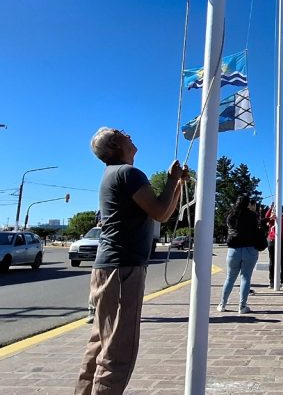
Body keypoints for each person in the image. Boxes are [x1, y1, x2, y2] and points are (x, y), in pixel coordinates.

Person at [76, 127, 187, 395]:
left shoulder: (114, 174)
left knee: (101, 342)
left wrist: (176, 184)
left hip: (110, 266)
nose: (129, 134)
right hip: (122, 269)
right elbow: (161, 211)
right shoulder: (128, 173)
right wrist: (172, 180)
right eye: (122, 133)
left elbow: (161, 214)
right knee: (118, 348)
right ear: (115, 144)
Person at [217, 195, 263, 314]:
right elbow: (257, 228)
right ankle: (242, 306)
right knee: (246, 277)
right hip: (250, 249)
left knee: (230, 277)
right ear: (248, 204)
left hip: (234, 249)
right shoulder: (253, 216)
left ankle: (222, 304)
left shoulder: (231, 215)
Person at [265, 204, 283, 288]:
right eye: (275, 209)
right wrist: (270, 208)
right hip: (272, 240)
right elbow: (266, 217)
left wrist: (276, 217)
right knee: (272, 262)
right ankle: (272, 281)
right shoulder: (272, 218)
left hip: (282, 241)